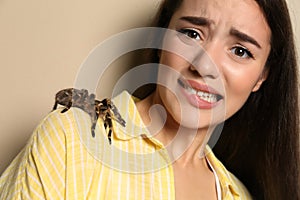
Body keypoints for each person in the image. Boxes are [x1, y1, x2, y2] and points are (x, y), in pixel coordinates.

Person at [0, 0, 299, 199]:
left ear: (262, 76)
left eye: (240, 51)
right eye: (192, 34)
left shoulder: (238, 194)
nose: (205, 65)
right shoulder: (70, 140)